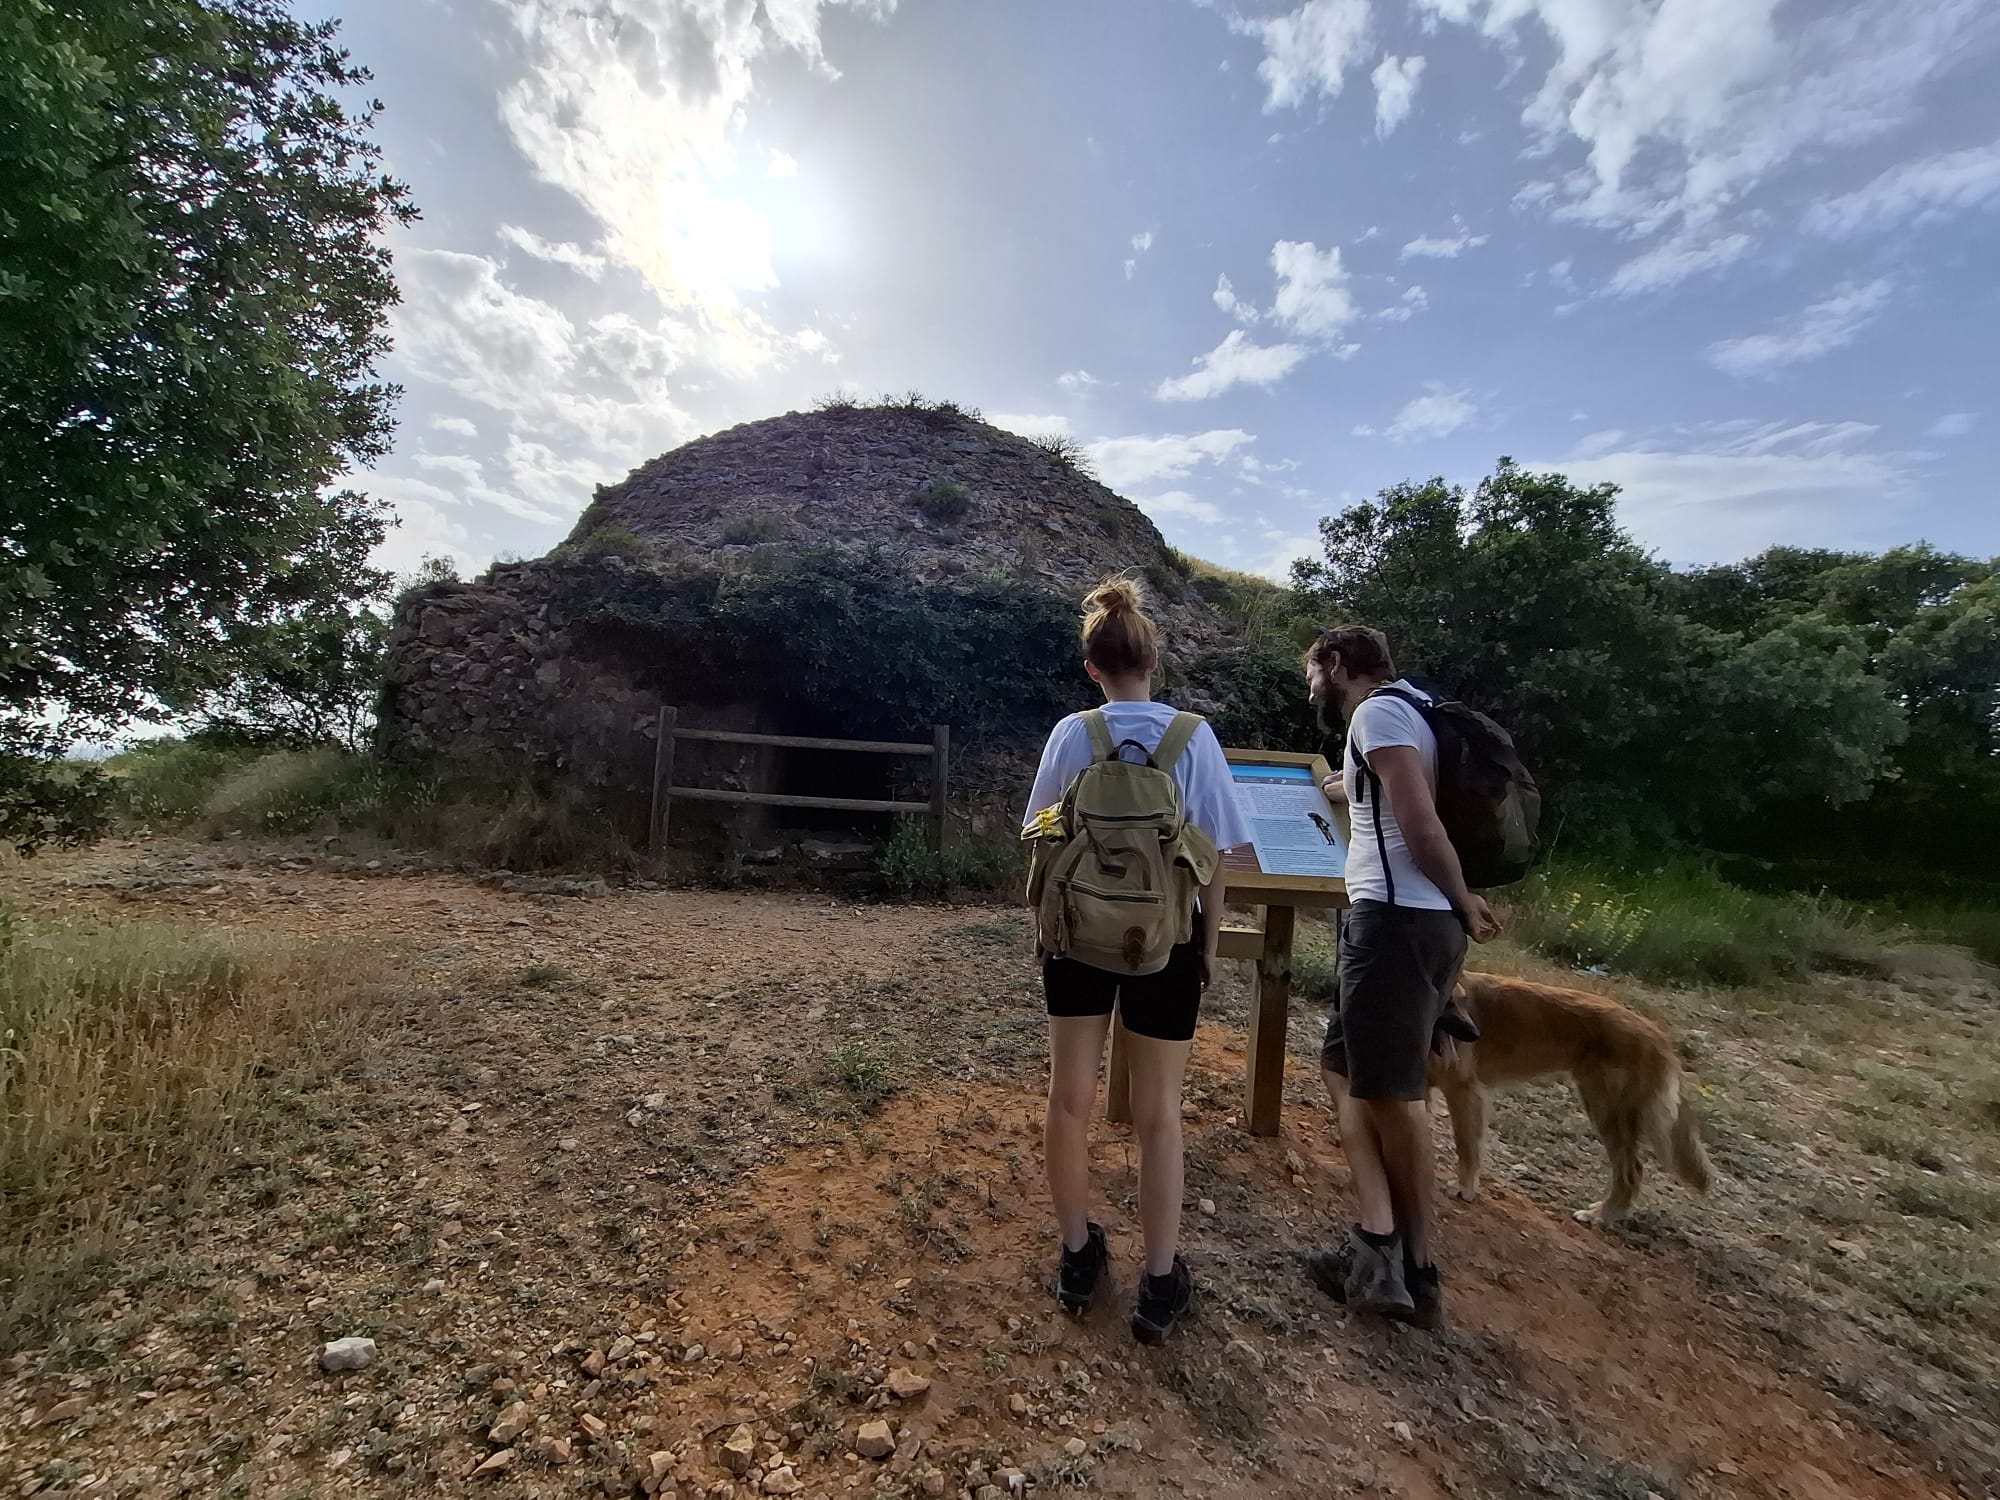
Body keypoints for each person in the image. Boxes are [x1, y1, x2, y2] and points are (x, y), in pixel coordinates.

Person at [1022, 578, 1250, 1344]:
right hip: (1168, 945)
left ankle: (1079, 1256)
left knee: (1068, 1103)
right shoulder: (1193, 736)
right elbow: (1218, 856)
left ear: (1093, 668)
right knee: (1158, 1118)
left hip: (1077, 938)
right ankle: (1159, 1282)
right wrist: (1208, 946)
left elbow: (1040, 836)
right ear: (1155, 659)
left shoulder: (1071, 734)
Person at [1300, 625, 1502, 1330]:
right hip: (1401, 923)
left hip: (1398, 924)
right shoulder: (1411, 708)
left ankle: (1413, 1268)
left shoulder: (1378, 713)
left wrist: (1461, 900)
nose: (1311, 686)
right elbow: (1380, 796)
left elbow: (1418, 823)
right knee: (1343, 1067)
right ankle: (1377, 1237)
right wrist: (1330, 781)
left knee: (1394, 1095)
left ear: (1336, 663)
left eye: (1313, 671)